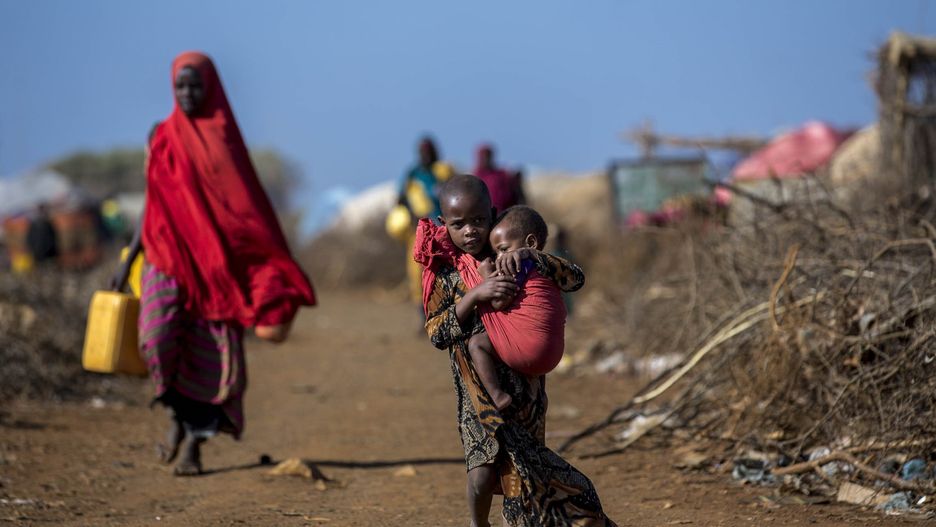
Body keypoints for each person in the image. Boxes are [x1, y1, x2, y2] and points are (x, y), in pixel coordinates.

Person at [111, 51, 315, 476]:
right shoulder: (161, 134)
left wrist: (265, 260)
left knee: (211, 357)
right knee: (158, 338)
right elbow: (155, 198)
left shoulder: (223, 138)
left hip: (216, 267)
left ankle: (194, 446)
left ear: (211, 87)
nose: (187, 93)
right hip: (165, 256)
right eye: (180, 86)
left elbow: (244, 206)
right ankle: (174, 417)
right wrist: (131, 254)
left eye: (195, 85)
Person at [414, 175, 615, 527]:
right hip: (478, 393)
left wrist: (534, 256)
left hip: (525, 389)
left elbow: (575, 279)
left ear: (492, 214)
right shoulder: (445, 272)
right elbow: (436, 332)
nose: (471, 232)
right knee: (482, 473)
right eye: (459, 224)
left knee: (523, 480)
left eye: (478, 220)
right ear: (444, 223)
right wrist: (475, 296)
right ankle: (479, 524)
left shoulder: (509, 247)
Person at [465, 205, 567, 412]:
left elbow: (498, 302)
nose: (499, 259)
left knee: (477, 344)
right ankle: (536, 395)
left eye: (503, 249)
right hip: (553, 353)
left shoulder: (519, 264)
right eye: (496, 253)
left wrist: (486, 277)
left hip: (530, 350)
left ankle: (496, 395)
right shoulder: (546, 267)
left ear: (530, 243)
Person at [397, 136, 454, 306]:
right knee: (417, 269)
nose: (426, 155)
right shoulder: (413, 174)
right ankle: (422, 310)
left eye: (429, 151)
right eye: (423, 152)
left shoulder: (443, 171)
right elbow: (400, 197)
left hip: (444, 228)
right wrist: (412, 213)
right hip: (419, 229)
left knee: (447, 267)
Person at [473, 143, 525, 214]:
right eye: (483, 156)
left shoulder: (502, 175)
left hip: (504, 214)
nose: (485, 159)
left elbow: (515, 194)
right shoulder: (475, 177)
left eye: (488, 156)